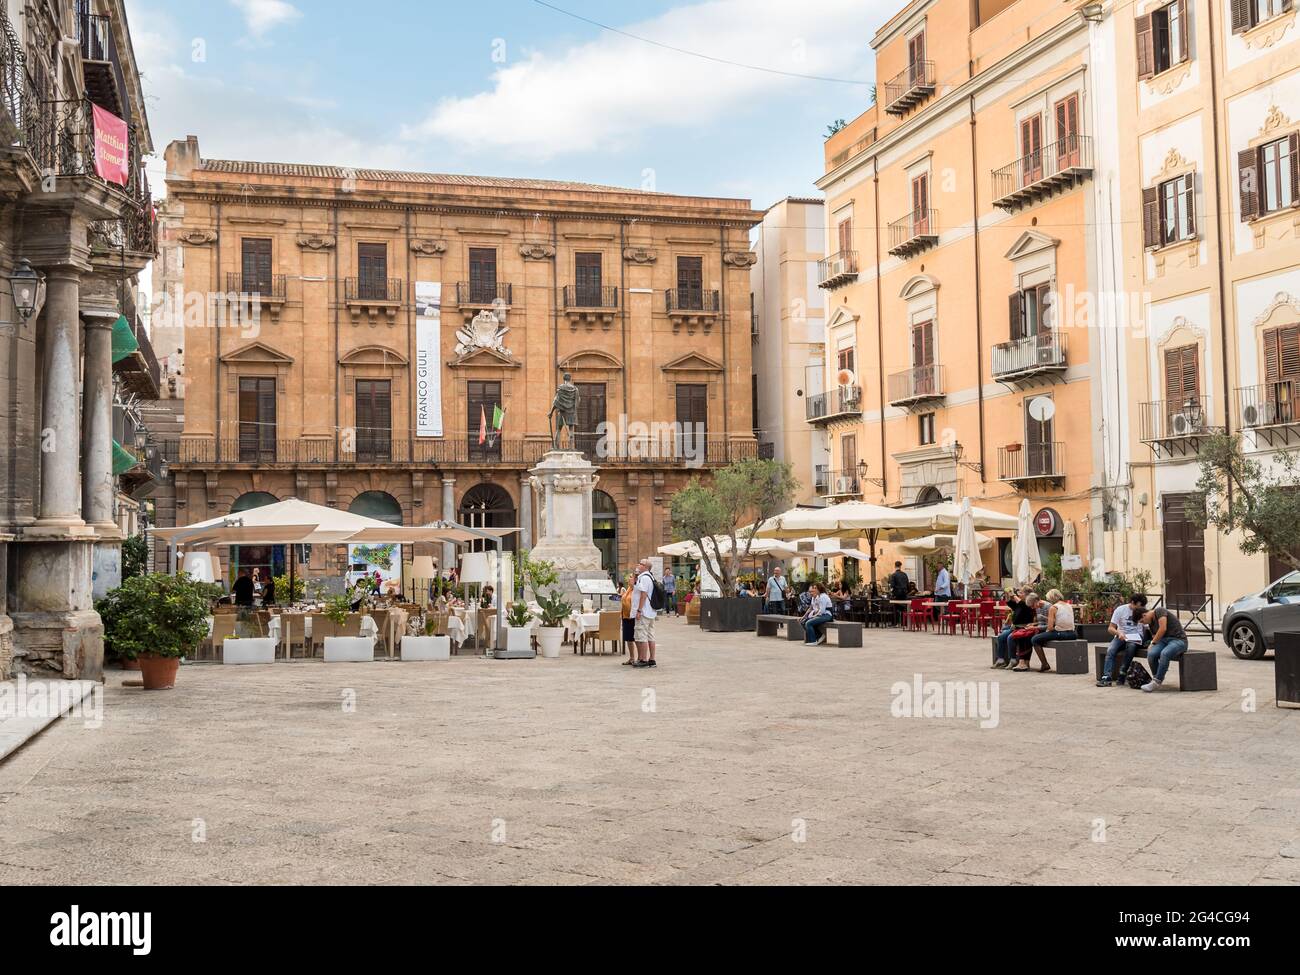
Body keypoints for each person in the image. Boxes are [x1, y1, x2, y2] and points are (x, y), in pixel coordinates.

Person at [1098, 594, 1149, 686]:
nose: (1141, 609)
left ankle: (1122, 673)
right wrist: (1119, 633)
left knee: (1131, 646)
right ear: (1132, 602)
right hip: (1122, 635)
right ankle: (1106, 677)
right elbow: (1110, 628)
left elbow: (1147, 627)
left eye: (1142, 606)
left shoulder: (1143, 612)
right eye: (1139, 606)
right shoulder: (1120, 610)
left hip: (1136, 637)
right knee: (1111, 650)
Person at [1139, 605, 1188, 692]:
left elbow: (1163, 628)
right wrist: (1151, 644)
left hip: (1179, 640)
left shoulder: (1159, 611)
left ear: (1144, 615)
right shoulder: (1150, 623)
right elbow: (1155, 636)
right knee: (1151, 654)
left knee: (1165, 653)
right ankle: (1156, 677)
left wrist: (1152, 643)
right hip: (1164, 641)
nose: (1144, 623)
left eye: (1142, 621)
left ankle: (1157, 681)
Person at [1029, 589, 1077, 665]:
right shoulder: (1068, 605)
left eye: (1049, 599)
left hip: (1061, 633)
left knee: (1035, 639)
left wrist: (1044, 632)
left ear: (1052, 598)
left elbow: (1050, 627)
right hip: (1073, 634)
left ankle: (1045, 664)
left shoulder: (1053, 607)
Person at [630, 557, 658, 668]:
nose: (638, 565)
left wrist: (639, 610)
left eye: (640, 563)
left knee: (642, 636)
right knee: (650, 635)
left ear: (645, 567)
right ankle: (652, 660)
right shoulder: (649, 577)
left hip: (644, 611)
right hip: (650, 611)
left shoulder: (645, 578)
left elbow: (643, 595)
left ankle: (643, 660)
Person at [991, 587, 1028, 669]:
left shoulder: (1027, 605)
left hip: (1022, 628)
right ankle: (1001, 660)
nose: (1019, 594)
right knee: (1001, 637)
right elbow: (1009, 602)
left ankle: (1013, 659)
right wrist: (1008, 595)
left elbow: (1022, 604)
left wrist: (1013, 594)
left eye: (1021, 593)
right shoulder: (1018, 605)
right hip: (1014, 628)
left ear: (1026, 595)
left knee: (1010, 638)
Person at [1008, 592, 1043, 672]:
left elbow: (1047, 624)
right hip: (1034, 627)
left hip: (1041, 629)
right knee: (1021, 635)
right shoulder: (1033, 606)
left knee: (1023, 636)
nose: (1032, 608)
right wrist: (1033, 624)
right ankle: (1023, 662)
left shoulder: (1040, 607)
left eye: (1021, 592)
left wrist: (1035, 626)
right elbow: (1040, 621)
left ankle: (1022, 662)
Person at [619, 571, 637, 665]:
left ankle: (639, 658)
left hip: (633, 616)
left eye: (631, 577)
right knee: (628, 638)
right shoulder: (628, 589)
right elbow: (624, 599)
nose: (629, 579)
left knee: (635, 638)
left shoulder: (636, 590)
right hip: (625, 616)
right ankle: (631, 657)